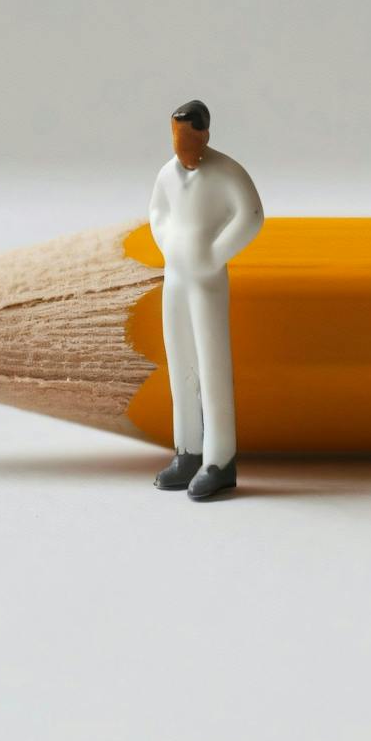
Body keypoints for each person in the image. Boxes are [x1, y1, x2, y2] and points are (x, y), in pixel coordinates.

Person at [149, 100, 264, 499]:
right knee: (180, 359)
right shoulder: (167, 174)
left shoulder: (226, 172)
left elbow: (250, 216)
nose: (181, 143)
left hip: (206, 281)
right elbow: (157, 213)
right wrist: (169, 244)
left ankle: (219, 458)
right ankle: (188, 450)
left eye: (188, 134)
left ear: (204, 134)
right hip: (176, 276)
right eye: (176, 134)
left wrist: (213, 255)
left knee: (211, 365)